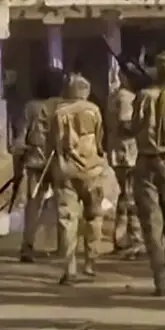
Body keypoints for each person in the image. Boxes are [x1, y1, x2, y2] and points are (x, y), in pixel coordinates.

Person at [131, 50, 165, 295]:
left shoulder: (143, 95)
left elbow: (134, 127)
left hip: (144, 161)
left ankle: (160, 279)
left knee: (151, 222)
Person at [48, 74, 105, 285]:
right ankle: (90, 262)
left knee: (67, 220)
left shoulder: (59, 113)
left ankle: (69, 269)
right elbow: (100, 141)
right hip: (92, 170)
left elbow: (54, 144)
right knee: (94, 217)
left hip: (66, 171)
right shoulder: (95, 110)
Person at [12, 68, 64, 263]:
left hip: (35, 161)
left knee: (33, 205)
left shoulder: (30, 107)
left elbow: (19, 141)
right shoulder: (64, 106)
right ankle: (64, 246)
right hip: (60, 162)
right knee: (63, 204)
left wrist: (17, 168)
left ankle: (28, 247)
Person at [106, 71, 144, 256]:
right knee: (132, 197)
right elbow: (125, 124)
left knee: (125, 196)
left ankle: (120, 238)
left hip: (118, 151)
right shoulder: (127, 98)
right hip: (128, 153)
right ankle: (135, 240)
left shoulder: (114, 95)